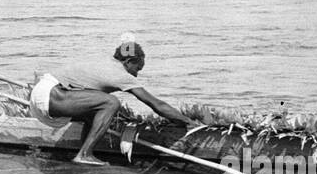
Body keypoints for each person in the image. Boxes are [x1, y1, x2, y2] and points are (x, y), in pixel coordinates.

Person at [29, 39, 196, 166]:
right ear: (128, 62)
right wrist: (188, 122)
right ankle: (84, 155)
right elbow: (155, 104)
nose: (136, 76)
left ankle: (86, 151)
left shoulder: (105, 62)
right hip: (52, 96)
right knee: (111, 103)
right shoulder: (120, 74)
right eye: (137, 69)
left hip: (41, 95)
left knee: (96, 111)